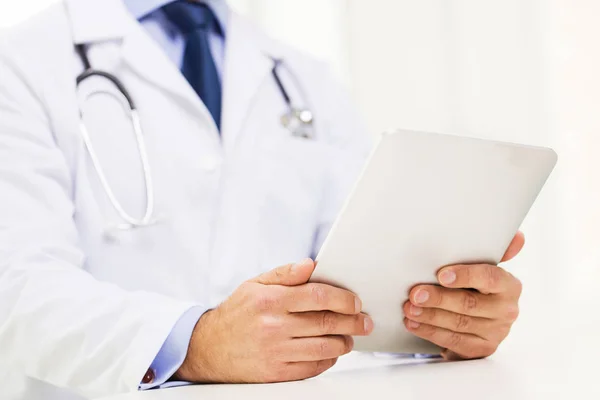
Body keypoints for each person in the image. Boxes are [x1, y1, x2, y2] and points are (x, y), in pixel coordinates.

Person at [0, 0, 525, 399]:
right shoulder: (21, 64)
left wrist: (440, 320)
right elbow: (17, 288)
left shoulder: (300, 76)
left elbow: (357, 274)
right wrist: (199, 343)